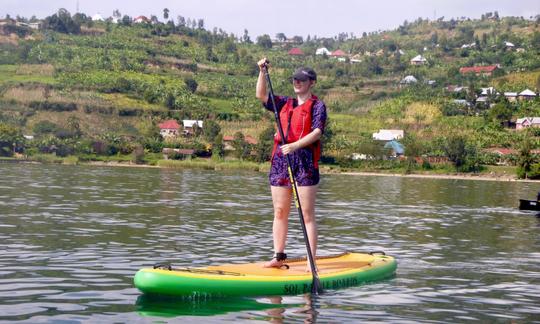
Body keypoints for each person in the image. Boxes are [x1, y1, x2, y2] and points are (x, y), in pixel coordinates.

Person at [256, 58, 327, 269]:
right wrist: (261, 72)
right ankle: (279, 257)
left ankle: (311, 261)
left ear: (311, 82)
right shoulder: (284, 103)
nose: (297, 82)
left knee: (306, 213)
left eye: (302, 80)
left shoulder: (318, 106)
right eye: (295, 79)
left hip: (304, 160)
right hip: (281, 159)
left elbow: (317, 132)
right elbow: (261, 95)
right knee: (279, 210)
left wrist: (295, 145)